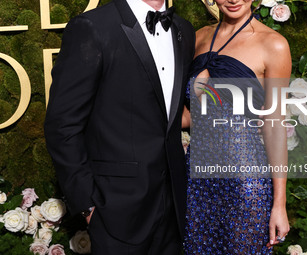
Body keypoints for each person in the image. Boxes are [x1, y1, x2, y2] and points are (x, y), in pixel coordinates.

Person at [44, 0, 195, 254]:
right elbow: (62, 124)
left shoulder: (184, 29)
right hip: (117, 210)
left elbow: (171, 112)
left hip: (175, 209)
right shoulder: (92, 26)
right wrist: (89, 205)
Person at [182, 0, 291, 254]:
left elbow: (274, 127)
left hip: (245, 183)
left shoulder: (273, 44)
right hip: (195, 182)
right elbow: (190, 115)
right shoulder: (198, 38)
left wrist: (279, 205)